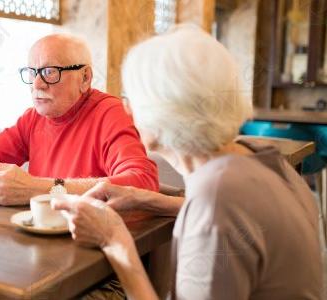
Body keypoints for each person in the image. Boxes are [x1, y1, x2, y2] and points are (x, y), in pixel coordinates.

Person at [53, 24, 322, 299]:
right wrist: (143, 197)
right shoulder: (254, 155)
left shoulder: (219, 196)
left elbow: (217, 212)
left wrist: (113, 239)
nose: (126, 108)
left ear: (162, 112)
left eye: (130, 98)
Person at [0, 34, 159, 206]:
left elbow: (143, 182)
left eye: (49, 71)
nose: (36, 83)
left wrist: (39, 188)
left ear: (85, 78)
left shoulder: (109, 113)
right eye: (32, 72)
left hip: (98, 262)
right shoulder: (34, 118)